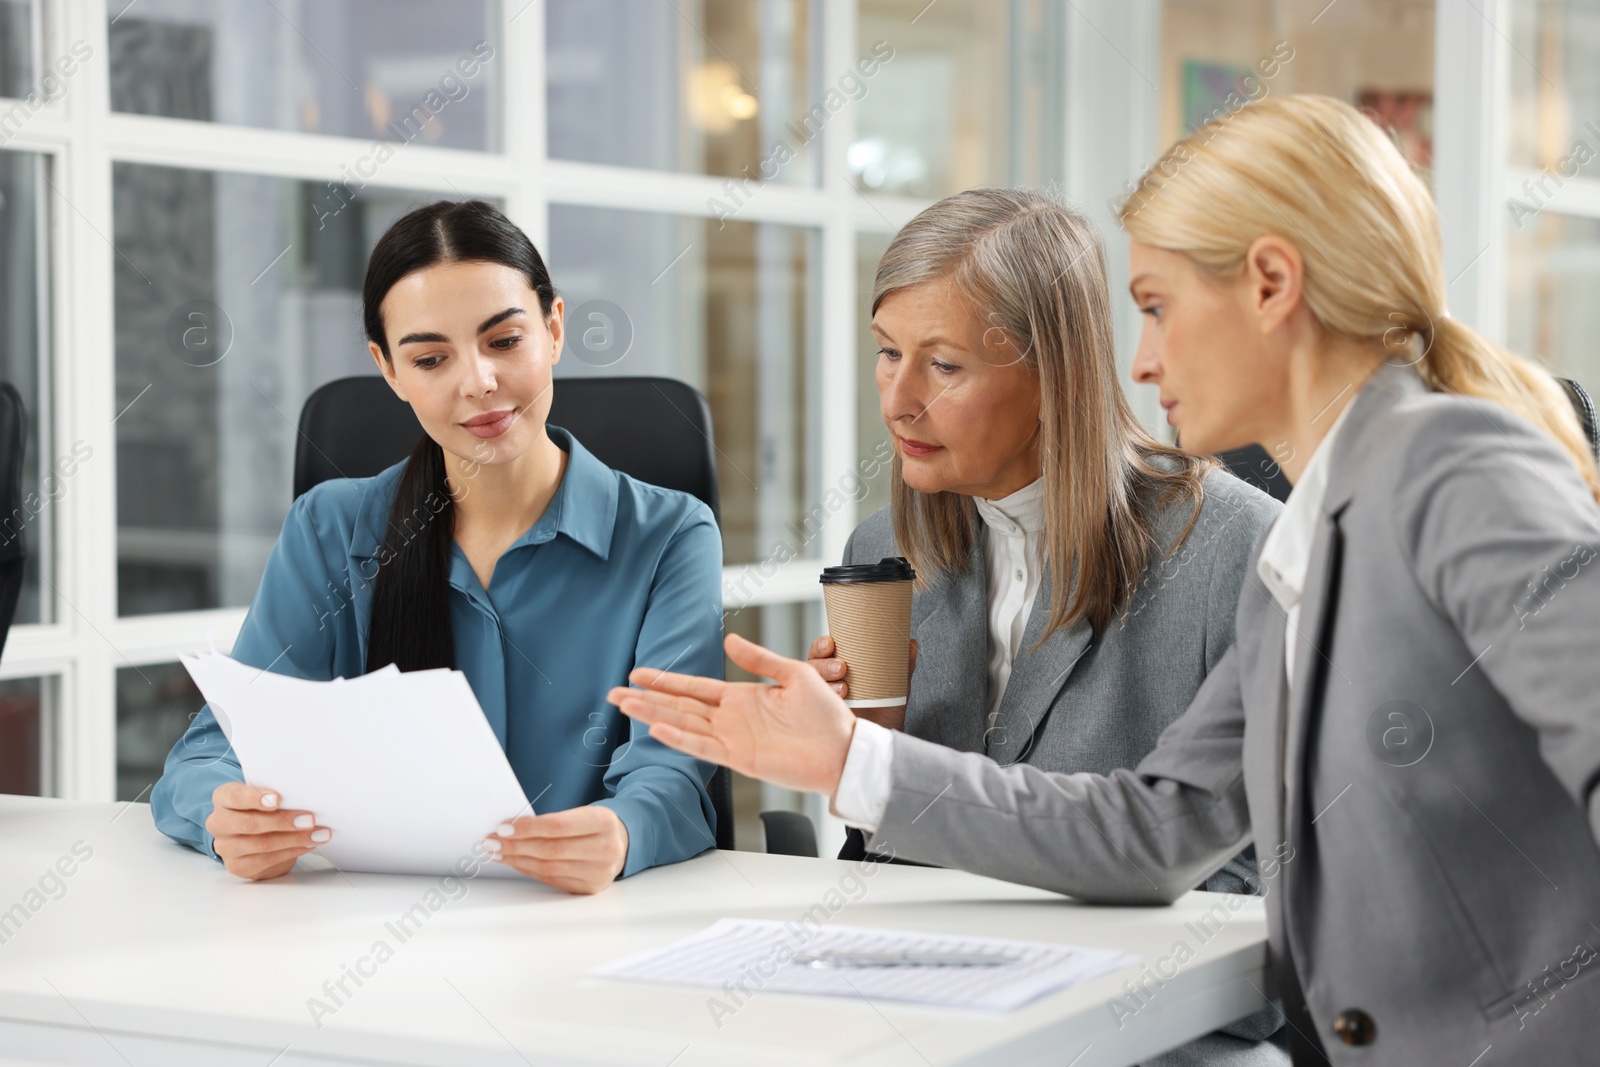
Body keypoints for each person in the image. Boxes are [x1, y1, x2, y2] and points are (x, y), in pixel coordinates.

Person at [609, 95, 1600, 1063]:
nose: (1139, 360)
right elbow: (1156, 826)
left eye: (1158, 308)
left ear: (1268, 284)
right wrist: (846, 760)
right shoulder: (1311, 539)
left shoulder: (1453, 465)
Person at [806, 187, 1285, 1064]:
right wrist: (865, 748)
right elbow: (880, 866)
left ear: (1054, 374)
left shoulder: (1235, 547)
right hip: (921, 1007)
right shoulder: (883, 546)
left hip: (1144, 1023)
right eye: (886, 353)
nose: (899, 401)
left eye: (944, 366)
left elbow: (1251, 892)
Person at [153, 200, 724, 894]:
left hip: (578, 926)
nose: (477, 382)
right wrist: (226, 817)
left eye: (505, 341)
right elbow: (211, 752)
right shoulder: (329, 529)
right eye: (430, 357)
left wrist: (623, 831)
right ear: (388, 369)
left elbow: (673, 778)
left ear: (553, 328)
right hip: (363, 929)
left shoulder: (669, 536)